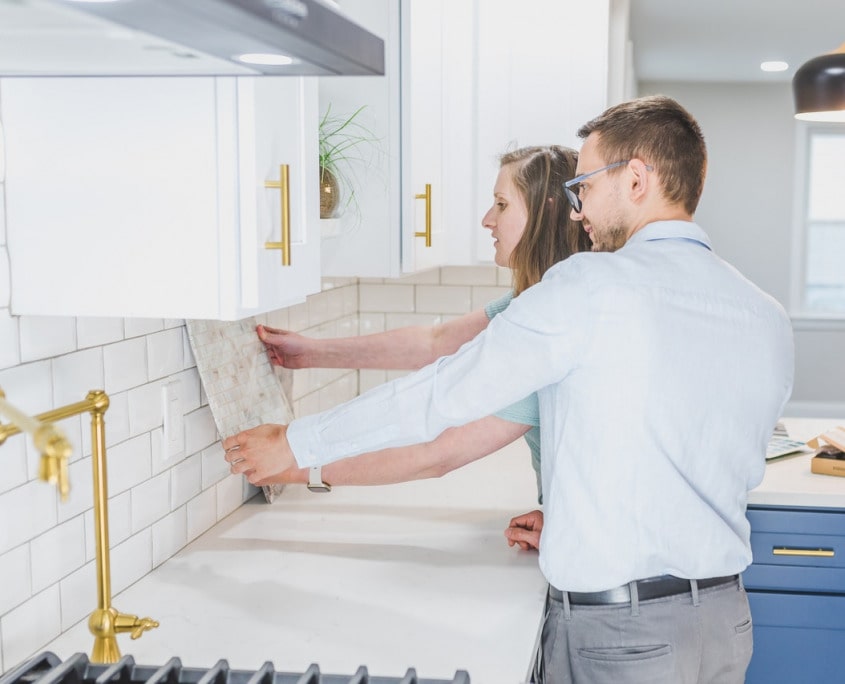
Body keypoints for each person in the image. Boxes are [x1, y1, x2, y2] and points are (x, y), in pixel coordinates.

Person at [224, 95, 794, 683]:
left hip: (621, 637)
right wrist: (580, 522)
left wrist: (298, 444)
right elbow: (698, 455)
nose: (578, 211)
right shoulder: (764, 314)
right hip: (726, 625)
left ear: (637, 178)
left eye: (587, 187)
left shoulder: (588, 288)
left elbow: (442, 394)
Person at [258, 144, 591, 551]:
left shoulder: (548, 324)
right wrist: (313, 352)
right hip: (581, 534)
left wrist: (292, 465)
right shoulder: (539, 300)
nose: (488, 220)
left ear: (548, 211)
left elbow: (438, 453)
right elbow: (436, 342)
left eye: (502, 205)